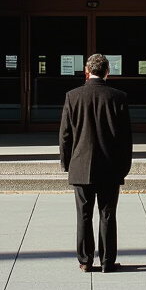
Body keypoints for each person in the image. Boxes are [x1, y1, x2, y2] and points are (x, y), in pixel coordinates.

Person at [59, 52, 133, 273]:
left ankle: (85, 260)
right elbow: (125, 138)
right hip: (110, 166)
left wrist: (67, 163)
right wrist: (124, 167)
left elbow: (65, 135)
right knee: (107, 214)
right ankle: (107, 261)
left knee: (83, 214)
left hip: (81, 165)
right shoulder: (118, 97)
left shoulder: (73, 96)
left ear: (86, 71)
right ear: (107, 72)